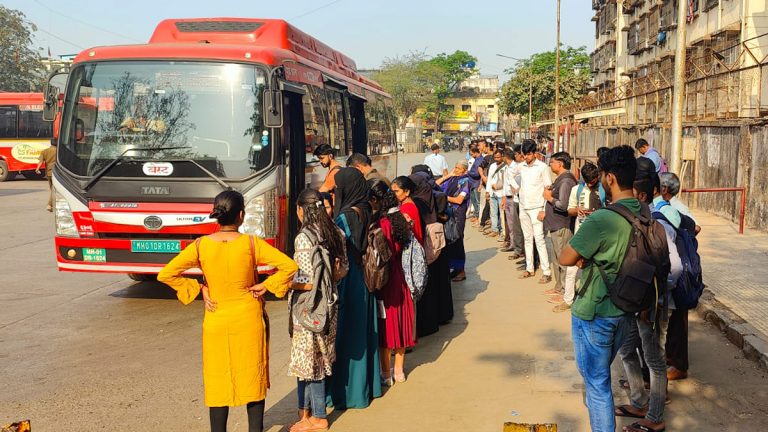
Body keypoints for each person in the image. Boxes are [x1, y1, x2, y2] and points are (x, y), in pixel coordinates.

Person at [158, 190, 298, 432]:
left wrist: (199, 288)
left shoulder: (201, 246)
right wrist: (266, 285)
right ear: (241, 215)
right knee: (252, 378)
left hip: (216, 320)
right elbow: (289, 266)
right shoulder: (252, 243)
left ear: (217, 215)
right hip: (248, 318)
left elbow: (166, 273)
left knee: (218, 381)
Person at [558, 145, 639, 432]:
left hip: (596, 310)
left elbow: (565, 257)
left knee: (597, 383)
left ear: (610, 178)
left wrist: (584, 256)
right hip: (627, 309)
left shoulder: (603, 218)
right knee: (600, 376)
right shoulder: (645, 214)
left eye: (604, 174)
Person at [615, 175, 682, 432]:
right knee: (627, 349)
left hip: (652, 306)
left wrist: (655, 297)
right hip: (635, 304)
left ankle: (655, 417)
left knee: (654, 360)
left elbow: (673, 268)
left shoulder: (658, 224)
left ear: (642, 196)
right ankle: (639, 401)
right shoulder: (639, 221)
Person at [288, 189, 347, 432]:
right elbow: (343, 269)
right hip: (329, 306)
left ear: (301, 209)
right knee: (320, 358)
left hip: (308, 308)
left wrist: (285, 281)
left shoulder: (304, 237)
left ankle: (319, 416)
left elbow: (308, 280)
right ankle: (306, 415)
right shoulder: (336, 232)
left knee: (309, 361)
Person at [325, 168, 382, 410]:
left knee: (347, 336)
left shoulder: (344, 217)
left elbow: (335, 248)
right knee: (364, 331)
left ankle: (348, 394)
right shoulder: (368, 208)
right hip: (366, 278)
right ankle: (368, 387)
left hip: (348, 280)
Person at [373, 185, 417, 386]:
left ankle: (385, 372)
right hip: (402, 278)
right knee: (401, 324)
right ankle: (399, 370)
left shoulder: (381, 224)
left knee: (386, 327)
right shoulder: (402, 220)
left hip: (385, 280)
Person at [658, 172, 696, 381]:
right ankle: (673, 361)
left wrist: (681, 243)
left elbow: (695, 227)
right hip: (677, 266)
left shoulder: (676, 208)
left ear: (664, 189)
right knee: (673, 322)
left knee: (678, 321)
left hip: (681, 269)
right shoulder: (668, 206)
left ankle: (679, 366)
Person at [552, 162, 605, 313]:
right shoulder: (577, 189)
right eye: (588, 182)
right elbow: (569, 210)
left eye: (593, 181)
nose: (590, 184)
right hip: (580, 234)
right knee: (571, 270)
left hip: (599, 236)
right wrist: (578, 210)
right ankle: (568, 300)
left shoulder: (603, 190)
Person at [408, 171, 453, 335]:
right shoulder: (435, 197)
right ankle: (444, 314)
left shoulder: (416, 203)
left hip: (426, 247)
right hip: (439, 245)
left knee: (427, 287)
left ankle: (428, 323)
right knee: (440, 283)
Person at [542, 152, 577, 302]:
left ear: (560, 164)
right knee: (556, 257)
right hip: (555, 224)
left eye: (553, 162)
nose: (551, 165)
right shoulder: (561, 180)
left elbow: (563, 205)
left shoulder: (566, 181)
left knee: (563, 257)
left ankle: (565, 290)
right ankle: (558, 287)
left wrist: (549, 197)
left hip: (562, 224)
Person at [518, 139, 552, 284]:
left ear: (534, 153)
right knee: (527, 239)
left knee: (539, 239)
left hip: (537, 207)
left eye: (528, 154)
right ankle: (529, 268)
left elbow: (548, 188)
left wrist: (544, 209)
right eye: (524, 154)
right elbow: (509, 175)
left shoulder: (542, 167)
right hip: (523, 206)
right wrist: (515, 189)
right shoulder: (521, 166)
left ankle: (546, 271)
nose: (526, 157)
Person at [436, 160, 471, 282]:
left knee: (457, 240)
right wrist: (448, 175)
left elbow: (459, 200)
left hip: (457, 214)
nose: (456, 170)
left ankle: (461, 271)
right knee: (449, 240)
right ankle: (454, 269)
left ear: (465, 171)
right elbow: (436, 184)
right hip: (448, 213)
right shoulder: (451, 179)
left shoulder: (465, 182)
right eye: (455, 167)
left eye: (459, 168)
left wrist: (444, 197)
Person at [501, 146, 525, 258]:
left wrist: (516, 189)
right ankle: (515, 245)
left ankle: (518, 248)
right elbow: (507, 183)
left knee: (518, 226)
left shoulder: (518, 167)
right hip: (510, 197)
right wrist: (504, 197)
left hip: (519, 198)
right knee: (512, 225)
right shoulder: (508, 168)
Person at [485, 149, 506, 238]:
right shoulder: (493, 166)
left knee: (502, 214)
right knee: (493, 213)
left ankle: (503, 231)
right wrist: (487, 191)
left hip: (501, 193)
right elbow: (489, 178)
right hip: (493, 193)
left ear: (502, 157)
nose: (496, 159)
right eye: (495, 157)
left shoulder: (505, 166)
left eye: (498, 157)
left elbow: (505, 182)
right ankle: (495, 229)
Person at [35, 138, 57, 212]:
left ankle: (50, 205)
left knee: (52, 189)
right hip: (56, 172)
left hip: (48, 173)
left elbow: (41, 161)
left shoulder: (45, 151)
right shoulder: (58, 151)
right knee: (54, 190)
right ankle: (49, 205)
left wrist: (37, 169)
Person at [467, 144, 483, 221]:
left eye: (472, 154)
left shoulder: (479, 160)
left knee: (477, 202)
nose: (472, 155)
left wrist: (469, 172)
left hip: (476, 183)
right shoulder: (476, 160)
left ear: (476, 152)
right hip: (473, 183)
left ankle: (479, 218)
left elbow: (477, 173)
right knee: (474, 200)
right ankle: (476, 216)